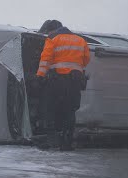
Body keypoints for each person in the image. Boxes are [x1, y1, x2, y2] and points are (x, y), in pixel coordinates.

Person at [35, 20, 90, 151]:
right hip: (75, 80)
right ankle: (67, 143)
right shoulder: (80, 40)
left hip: (57, 79)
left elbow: (46, 59)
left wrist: (40, 76)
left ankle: (52, 142)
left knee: (50, 109)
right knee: (69, 111)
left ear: (52, 30)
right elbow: (86, 59)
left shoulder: (53, 38)